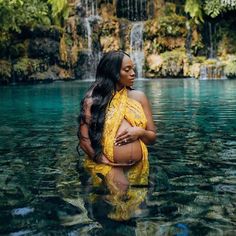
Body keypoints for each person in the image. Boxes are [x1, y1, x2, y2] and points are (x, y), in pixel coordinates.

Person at [77, 50, 156, 220]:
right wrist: (100, 158)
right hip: (109, 164)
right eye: (126, 70)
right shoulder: (93, 101)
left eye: (133, 68)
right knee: (120, 205)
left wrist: (139, 132)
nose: (133, 73)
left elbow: (152, 138)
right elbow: (84, 140)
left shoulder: (139, 97)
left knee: (139, 210)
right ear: (113, 72)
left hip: (139, 163)